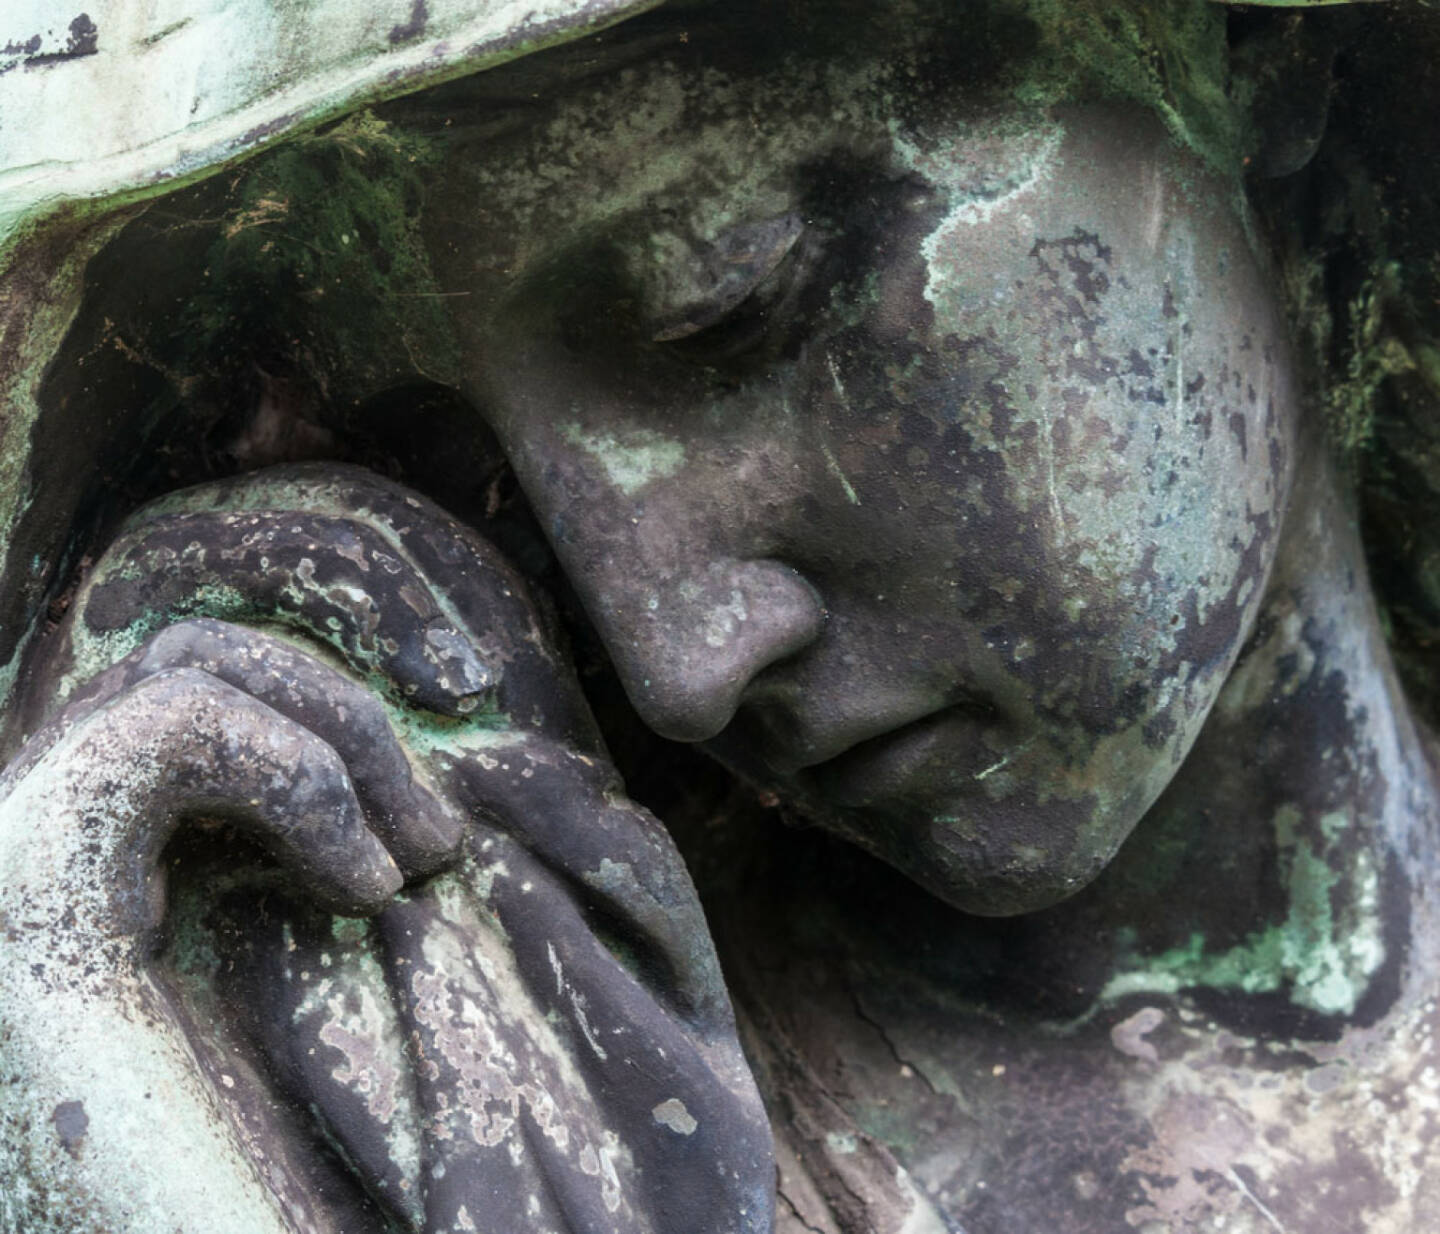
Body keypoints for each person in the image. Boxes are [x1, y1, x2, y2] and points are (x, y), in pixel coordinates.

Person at [1, 1, 1437, 1230]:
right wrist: (98, 1103)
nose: (673, 661)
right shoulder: (554, 1110)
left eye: (722, 313)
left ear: (1240, 63)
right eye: (480, 482)